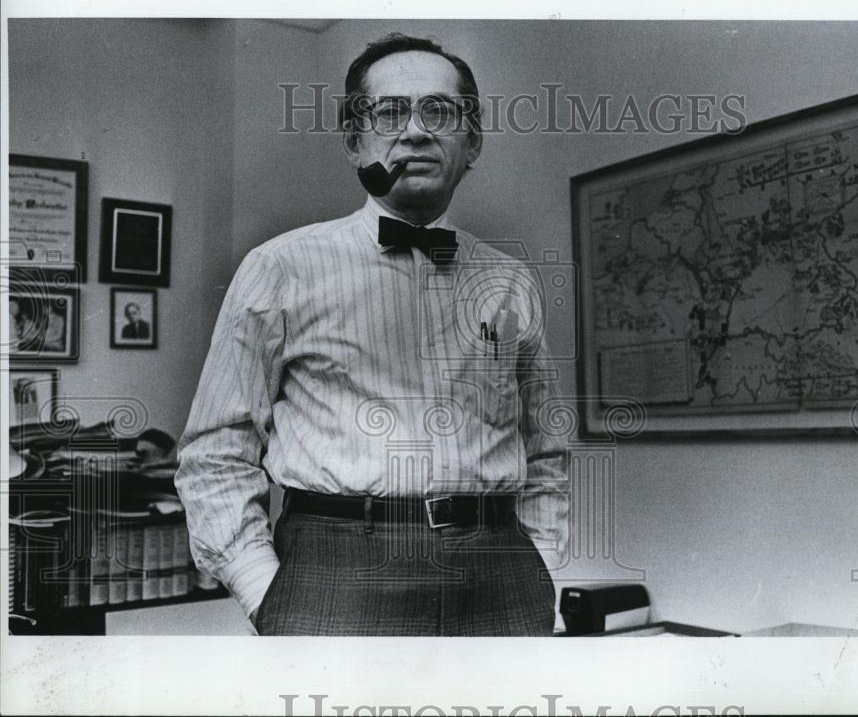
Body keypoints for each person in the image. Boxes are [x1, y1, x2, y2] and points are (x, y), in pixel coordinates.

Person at [175, 33, 569, 636]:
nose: (414, 131)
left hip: (501, 575)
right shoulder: (280, 268)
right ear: (355, 140)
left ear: (474, 141)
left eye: (439, 111)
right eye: (389, 112)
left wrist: (537, 566)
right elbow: (215, 453)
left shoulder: (511, 283)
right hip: (334, 571)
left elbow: (547, 449)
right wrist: (264, 589)